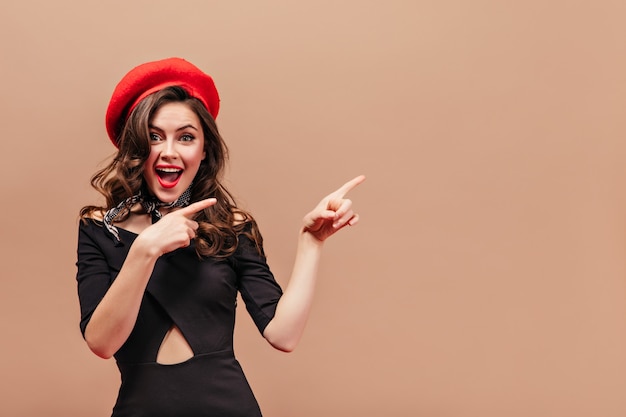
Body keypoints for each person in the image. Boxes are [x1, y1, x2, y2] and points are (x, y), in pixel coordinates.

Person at [75, 57, 364, 417]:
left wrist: (311, 241)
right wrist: (144, 250)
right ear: (134, 147)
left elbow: (283, 335)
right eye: (153, 136)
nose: (169, 151)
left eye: (186, 137)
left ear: (204, 149)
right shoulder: (100, 228)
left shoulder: (231, 227)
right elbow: (101, 342)